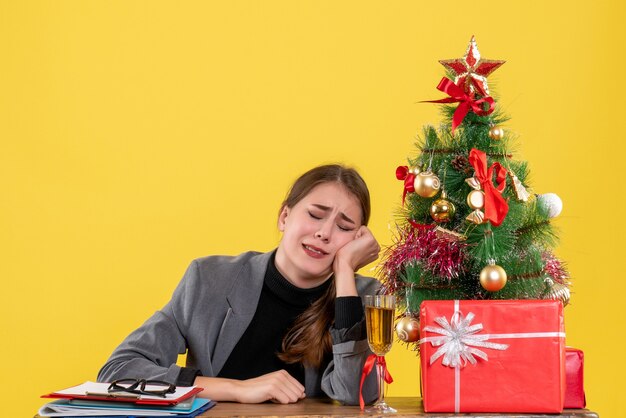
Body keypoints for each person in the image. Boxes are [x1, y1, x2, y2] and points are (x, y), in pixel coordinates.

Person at [97, 164, 381, 405]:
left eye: (344, 228)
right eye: (315, 215)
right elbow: (119, 370)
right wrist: (236, 389)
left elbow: (355, 395)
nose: (324, 233)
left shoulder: (361, 297)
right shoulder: (209, 279)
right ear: (285, 217)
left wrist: (345, 271)